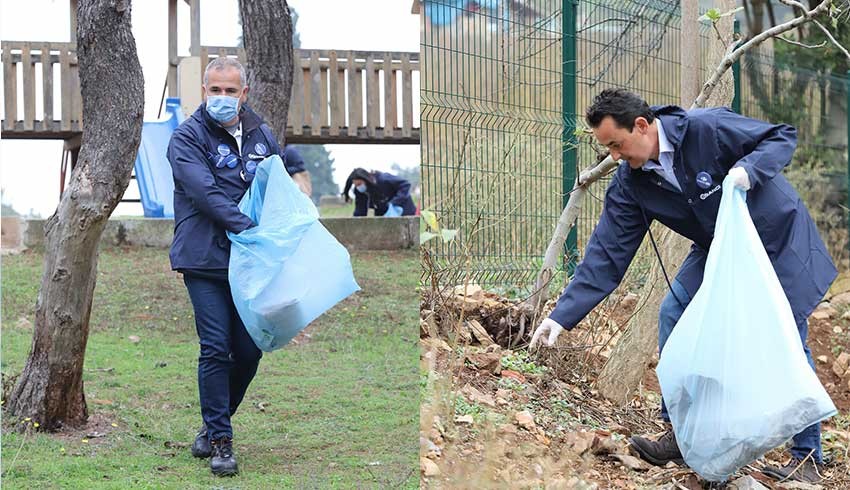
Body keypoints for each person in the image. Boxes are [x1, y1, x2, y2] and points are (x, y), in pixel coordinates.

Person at [530, 89, 836, 484]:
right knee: (674, 309)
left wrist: (749, 170)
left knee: (785, 331)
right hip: (717, 246)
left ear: (641, 126)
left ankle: (806, 457)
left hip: (775, 239)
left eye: (617, 145)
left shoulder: (706, 128)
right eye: (608, 148)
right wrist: (561, 317)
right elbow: (607, 254)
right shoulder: (631, 183)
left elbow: (781, 136)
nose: (615, 157)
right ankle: (682, 433)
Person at [166, 57, 307, 477]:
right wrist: (250, 228)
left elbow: (276, 188)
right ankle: (222, 442)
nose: (223, 98)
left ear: (244, 93)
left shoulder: (262, 134)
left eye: (231, 91)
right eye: (215, 90)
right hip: (205, 258)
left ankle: (213, 425)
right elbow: (206, 194)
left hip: (252, 262)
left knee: (248, 350)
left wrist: (293, 227)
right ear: (204, 91)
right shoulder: (186, 138)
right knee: (215, 346)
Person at [342, 168, 417, 217]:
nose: (358, 187)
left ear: (366, 180)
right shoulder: (360, 192)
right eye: (355, 185)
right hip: (384, 214)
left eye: (359, 184)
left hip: (404, 209)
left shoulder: (383, 179)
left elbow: (405, 185)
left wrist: (394, 202)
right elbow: (360, 209)